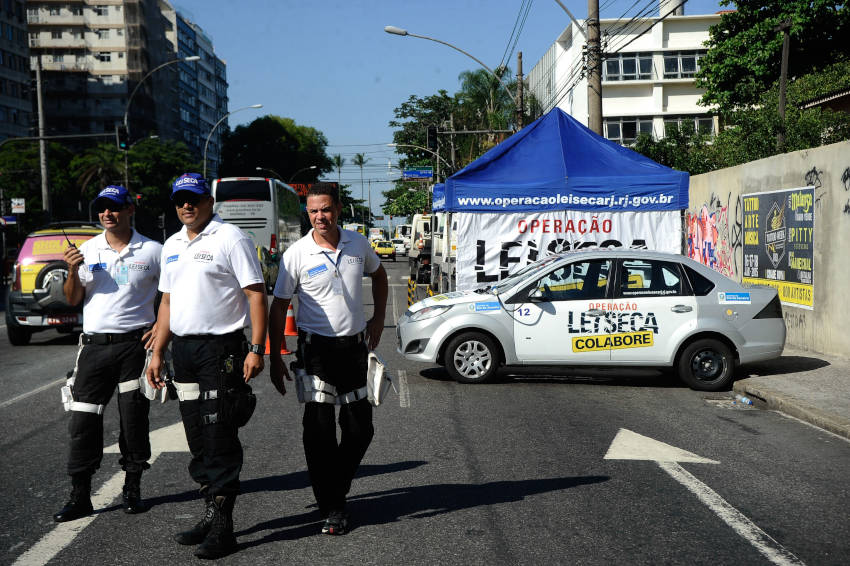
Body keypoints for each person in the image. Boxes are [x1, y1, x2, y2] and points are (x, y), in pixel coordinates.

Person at [146, 173, 267, 559]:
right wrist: (158, 352)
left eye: (194, 199)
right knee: (197, 437)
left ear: (208, 202)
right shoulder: (172, 244)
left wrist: (257, 348)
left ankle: (223, 527)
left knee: (219, 437)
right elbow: (166, 303)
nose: (186, 206)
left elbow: (255, 294)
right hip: (183, 352)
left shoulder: (231, 238)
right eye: (180, 200)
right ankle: (210, 511)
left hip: (221, 350)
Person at [268, 182, 388, 536]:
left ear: (338, 209)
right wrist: (276, 355)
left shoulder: (357, 244)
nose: (320, 216)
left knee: (360, 429)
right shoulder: (297, 254)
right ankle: (333, 506)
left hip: (353, 350)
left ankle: (335, 486)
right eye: (314, 211)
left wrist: (378, 317)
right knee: (318, 432)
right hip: (315, 351)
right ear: (308, 213)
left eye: (326, 209)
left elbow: (379, 276)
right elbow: (279, 307)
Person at [55, 185, 161, 522]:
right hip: (95, 348)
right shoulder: (87, 250)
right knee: (83, 420)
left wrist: (161, 329)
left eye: (114, 207)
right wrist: (72, 270)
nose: (107, 213)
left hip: (135, 346)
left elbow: (172, 295)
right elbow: (72, 299)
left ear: (130, 209)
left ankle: (132, 489)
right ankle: (79, 495)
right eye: (102, 208)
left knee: (133, 420)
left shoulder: (153, 250)